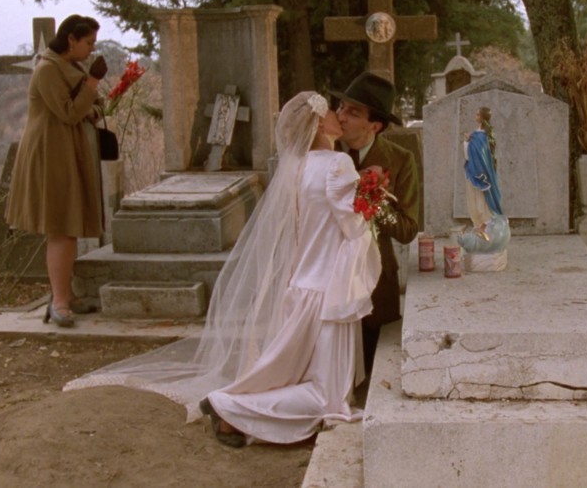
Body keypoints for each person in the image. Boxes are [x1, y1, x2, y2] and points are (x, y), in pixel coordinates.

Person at [65, 91, 381, 447]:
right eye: (331, 110)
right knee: (329, 398)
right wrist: (375, 196)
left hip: (305, 284)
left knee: (309, 380)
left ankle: (234, 409)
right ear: (317, 123)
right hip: (329, 292)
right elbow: (354, 227)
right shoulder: (337, 165)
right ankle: (230, 407)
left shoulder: (300, 167)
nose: (339, 114)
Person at [5, 14, 109, 327]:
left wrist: (89, 99)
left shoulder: (71, 66)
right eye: (87, 42)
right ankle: (59, 302)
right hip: (51, 155)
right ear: (71, 40)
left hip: (69, 152)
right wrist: (91, 85)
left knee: (70, 227)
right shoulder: (48, 69)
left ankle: (68, 296)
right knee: (60, 228)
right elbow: (69, 112)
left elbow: (95, 107)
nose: (91, 49)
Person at [332, 72, 420, 375]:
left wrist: (373, 200)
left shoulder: (400, 159)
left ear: (375, 125)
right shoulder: (323, 152)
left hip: (375, 281)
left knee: (375, 372)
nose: (340, 116)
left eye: (352, 112)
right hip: (327, 277)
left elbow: (408, 230)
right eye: (340, 107)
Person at [459, 107, 509, 254]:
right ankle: (479, 227)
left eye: (477, 114)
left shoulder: (480, 137)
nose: (475, 115)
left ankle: (484, 226)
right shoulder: (478, 135)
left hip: (479, 175)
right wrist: (467, 141)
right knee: (474, 201)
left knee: (481, 202)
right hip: (474, 174)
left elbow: (471, 156)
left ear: (482, 117)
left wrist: (467, 142)